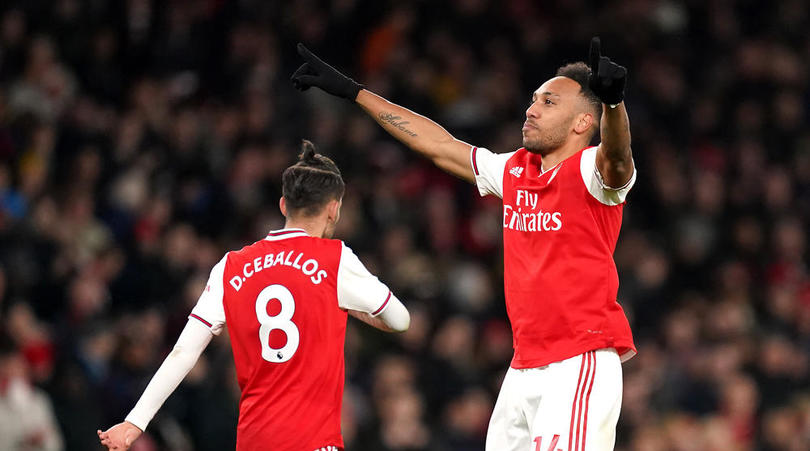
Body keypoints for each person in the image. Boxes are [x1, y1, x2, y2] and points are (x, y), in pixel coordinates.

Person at [292, 37, 636, 450]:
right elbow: (438, 145)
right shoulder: (514, 170)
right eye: (533, 100)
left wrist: (614, 105)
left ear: (582, 123)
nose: (530, 110)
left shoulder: (591, 173)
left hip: (578, 362)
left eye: (548, 103)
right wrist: (354, 91)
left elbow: (617, 158)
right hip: (524, 365)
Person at [97, 141, 410, 451]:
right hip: (313, 443)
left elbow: (184, 353)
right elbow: (400, 320)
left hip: (254, 442)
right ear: (334, 209)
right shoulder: (334, 259)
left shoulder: (230, 266)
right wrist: (353, 311)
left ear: (283, 205)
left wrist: (135, 422)